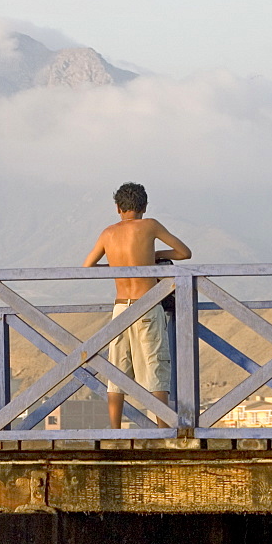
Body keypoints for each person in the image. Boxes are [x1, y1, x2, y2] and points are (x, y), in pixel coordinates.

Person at [83, 182, 191, 428]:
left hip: (120, 307)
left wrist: (116, 266)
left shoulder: (108, 233)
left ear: (118, 207)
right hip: (147, 305)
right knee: (155, 367)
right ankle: (163, 429)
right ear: (144, 206)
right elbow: (184, 253)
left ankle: (114, 431)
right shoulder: (149, 226)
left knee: (117, 369)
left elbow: (87, 267)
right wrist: (156, 256)